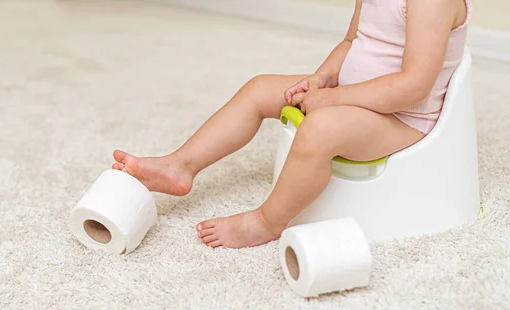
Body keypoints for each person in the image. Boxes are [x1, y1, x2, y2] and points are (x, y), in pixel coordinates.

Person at [113, 0, 472, 248]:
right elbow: (352, 41)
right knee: (259, 89)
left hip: (402, 119)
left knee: (321, 128)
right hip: (352, 97)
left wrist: (332, 101)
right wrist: (323, 78)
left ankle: (268, 221)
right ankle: (181, 166)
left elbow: (413, 87)